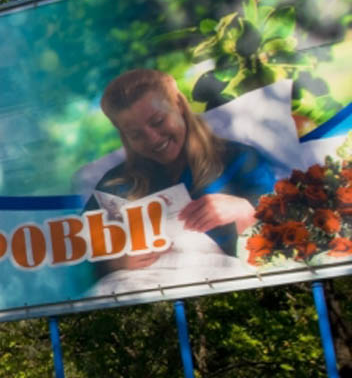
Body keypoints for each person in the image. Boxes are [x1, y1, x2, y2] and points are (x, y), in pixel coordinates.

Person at [91, 69, 277, 267]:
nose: (153, 139)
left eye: (158, 121)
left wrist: (245, 212)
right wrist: (113, 262)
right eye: (136, 134)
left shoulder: (240, 161)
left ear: (179, 105)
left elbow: (282, 244)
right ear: (124, 136)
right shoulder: (115, 186)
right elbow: (78, 253)